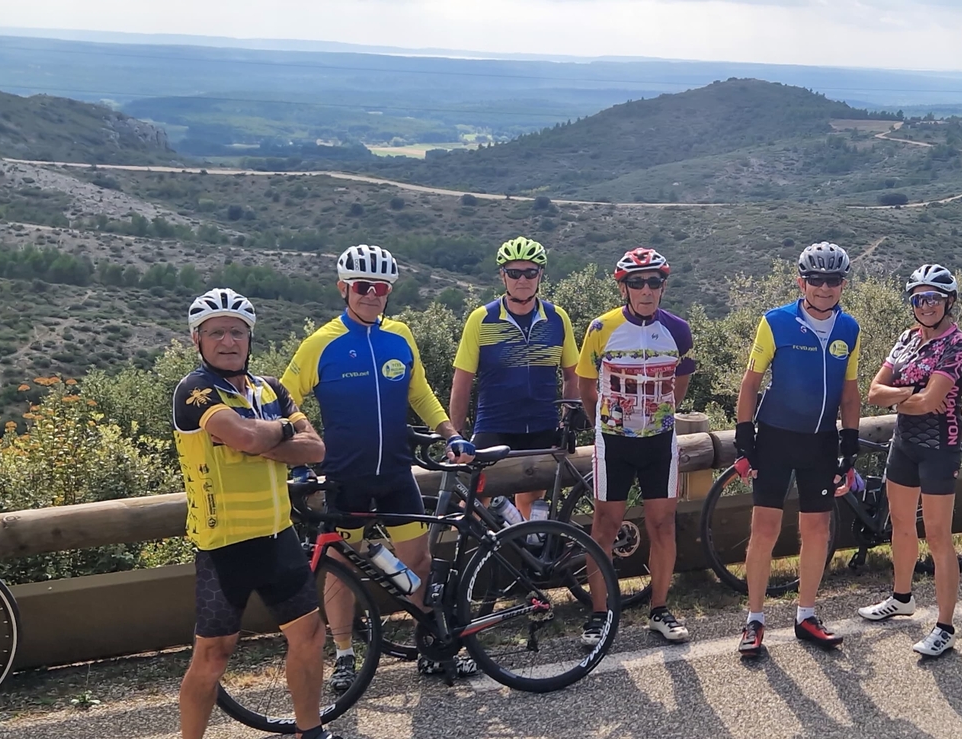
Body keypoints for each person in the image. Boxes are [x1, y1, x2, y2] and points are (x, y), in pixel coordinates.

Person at [281, 244, 478, 687]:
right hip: (345, 477)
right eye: (363, 286)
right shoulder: (321, 343)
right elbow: (284, 397)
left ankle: (429, 647)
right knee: (341, 569)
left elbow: (419, 392)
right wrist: (301, 450)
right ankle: (345, 655)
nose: (372, 295)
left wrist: (451, 433)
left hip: (395, 473)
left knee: (419, 562)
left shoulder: (400, 336)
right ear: (343, 288)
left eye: (381, 288)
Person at [172, 288, 339, 739]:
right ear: (197, 340)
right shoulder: (194, 390)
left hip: (277, 535)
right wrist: (282, 431)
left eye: (237, 332)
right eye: (216, 333)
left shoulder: (272, 389)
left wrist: (258, 439)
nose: (228, 341)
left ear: (249, 337)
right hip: (223, 545)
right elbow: (245, 437)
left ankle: (310, 731)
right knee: (213, 657)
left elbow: (316, 449)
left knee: (310, 636)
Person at [734, 242, 862, 658]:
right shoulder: (775, 322)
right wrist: (744, 438)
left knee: (817, 530)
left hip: (821, 441)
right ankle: (754, 620)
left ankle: (806, 615)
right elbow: (750, 383)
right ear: (801, 282)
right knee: (764, 529)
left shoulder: (850, 328)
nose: (825, 288)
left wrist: (849, 443)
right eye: (816, 279)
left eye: (833, 280)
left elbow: (850, 391)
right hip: (775, 438)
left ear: (843, 284)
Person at [576, 247, 696, 645]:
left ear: (663, 286)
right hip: (614, 443)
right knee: (604, 527)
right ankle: (599, 615)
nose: (646, 290)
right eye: (637, 283)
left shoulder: (679, 330)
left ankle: (659, 609)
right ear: (624, 288)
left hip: (660, 442)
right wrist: (603, 425)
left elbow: (680, 383)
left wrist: (660, 415)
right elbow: (586, 386)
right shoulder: (601, 328)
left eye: (654, 282)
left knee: (663, 525)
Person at [859, 264, 962, 658]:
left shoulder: (957, 344)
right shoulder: (908, 338)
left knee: (939, 537)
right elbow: (874, 392)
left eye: (933, 298)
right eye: (919, 298)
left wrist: (903, 395)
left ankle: (945, 626)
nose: (926, 305)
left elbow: (930, 403)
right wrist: (912, 393)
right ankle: (902, 597)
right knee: (901, 524)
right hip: (904, 443)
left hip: (940, 445)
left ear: (949, 301)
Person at [450, 237, 584, 520]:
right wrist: (455, 435)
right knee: (473, 507)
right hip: (494, 425)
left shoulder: (557, 318)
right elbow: (461, 383)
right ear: (503, 276)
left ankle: (523, 549)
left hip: (541, 427)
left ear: (540, 274)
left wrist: (565, 421)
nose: (522, 279)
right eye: (514, 272)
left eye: (530, 272)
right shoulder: (481, 319)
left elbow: (572, 376)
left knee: (532, 509)